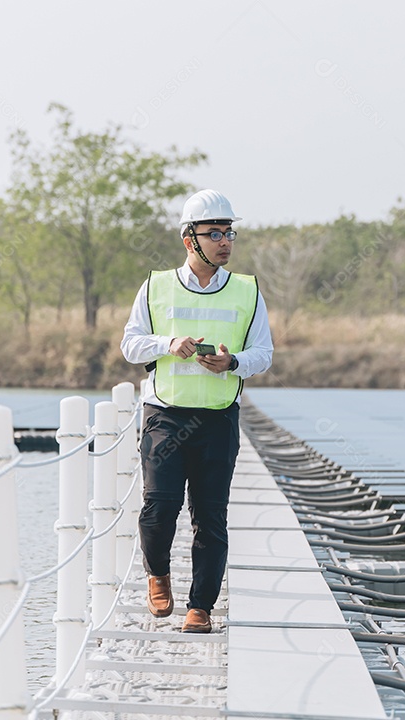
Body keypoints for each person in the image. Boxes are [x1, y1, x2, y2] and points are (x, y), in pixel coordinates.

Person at [120, 189, 274, 633]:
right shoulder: (155, 286)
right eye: (215, 233)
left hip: (218, 416)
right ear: (190, 240)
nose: (225, 241)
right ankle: (158, 575)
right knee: (159, 505)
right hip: (165, 413)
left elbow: (264, 353)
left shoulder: (247, 291)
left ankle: (200, 608)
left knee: (210, 515)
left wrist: (234, 362)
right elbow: (130, 344)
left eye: (230, 232)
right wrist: (167, 344)